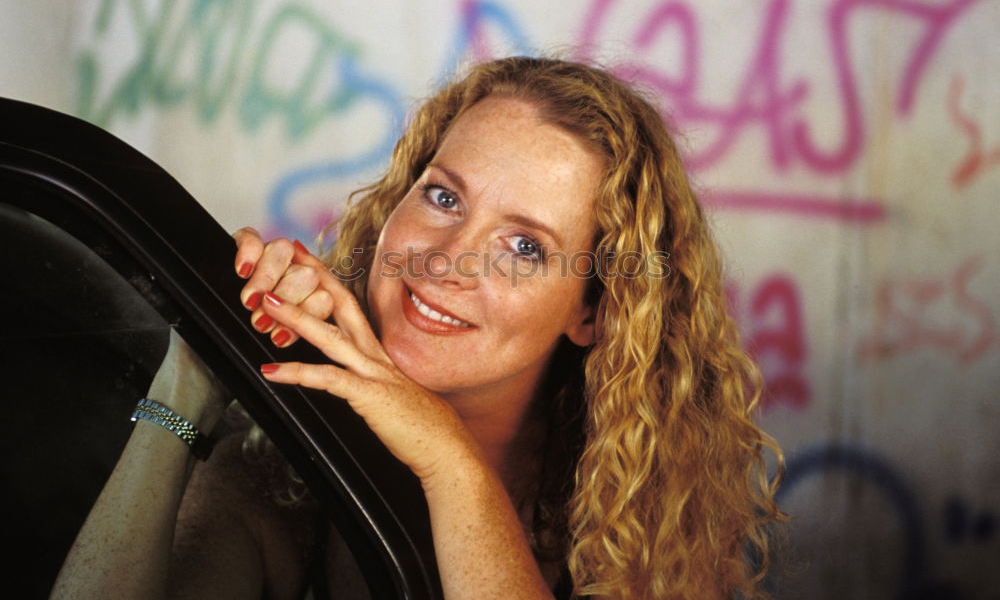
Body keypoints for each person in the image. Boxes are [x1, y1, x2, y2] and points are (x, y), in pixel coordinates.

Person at [50, 56, 783, 600]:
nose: (446, 258)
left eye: (523, 245)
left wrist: (448, 459)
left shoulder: (640, 530)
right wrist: (192, 370)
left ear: (593, 309)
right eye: (442, 195)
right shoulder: (282, 477)